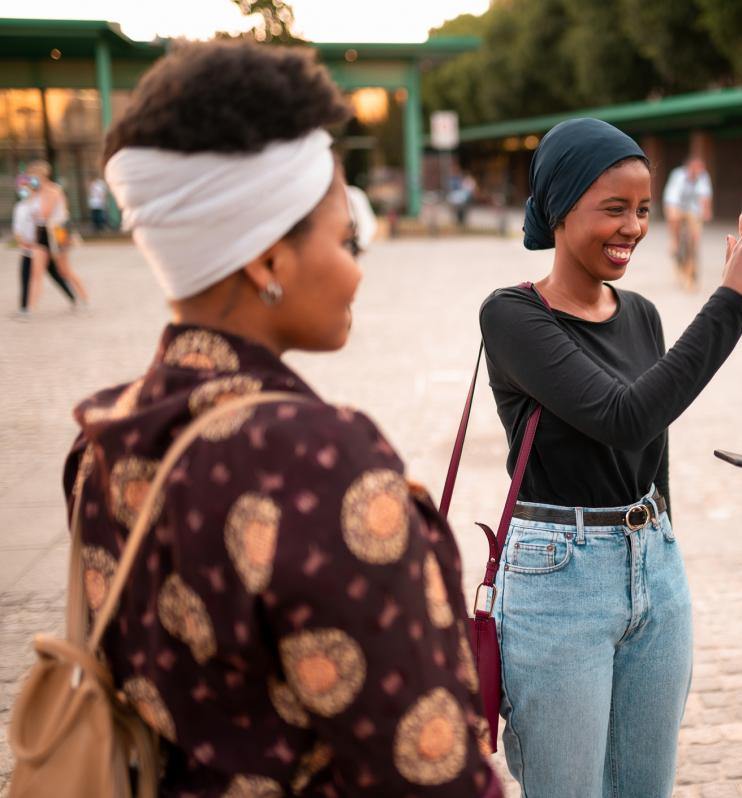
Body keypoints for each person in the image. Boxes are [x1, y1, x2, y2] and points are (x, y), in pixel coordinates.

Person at [69, 39, 498, 796]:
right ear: (268, 261)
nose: (357, 269)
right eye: (345, 240)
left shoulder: (103, 439)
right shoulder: (315, 458)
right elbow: (427, 768)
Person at [478, 117, 742, 797]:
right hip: (558, 581)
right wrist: (734, 298)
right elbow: (626, 418)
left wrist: (664, 542)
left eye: (644, 209)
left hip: (654, 566)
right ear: (560, 209)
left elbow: (654, 448)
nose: (634, 227)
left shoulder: (642, 313)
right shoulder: (512, 316)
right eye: (614, 208)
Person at [25, 159, 90, 308]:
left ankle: (83, 297)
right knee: (36, 272)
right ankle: (28, 308)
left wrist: (33, 199)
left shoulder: (53, 190)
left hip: (57, 233)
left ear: (41, 175)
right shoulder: (35, 193)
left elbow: (45, 213)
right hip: (41, 232)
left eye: (33, 176)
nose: (31, 179)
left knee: (64, 270)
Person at [13, 180, 76, 318]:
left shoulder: (39, 203)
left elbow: (52, 220)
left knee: (56, 274)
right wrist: (22, 240)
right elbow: (17, 228)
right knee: (26, 276)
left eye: (25, 187)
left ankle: (73, 297)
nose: (23, 191)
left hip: (41, 244)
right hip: (28, 247)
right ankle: (25, 308)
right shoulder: (20, 207)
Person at [662, 154, 713, 289]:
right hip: (677, 206)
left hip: (693, 210)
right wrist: (673, 213)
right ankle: (674, 241)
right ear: (689, 167)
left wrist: (706, 211)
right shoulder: (678, 175)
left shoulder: (703, 176)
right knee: (673, 217)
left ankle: (692, 271)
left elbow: (705, 196)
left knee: (694, 238)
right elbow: (671, 198)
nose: (699, 172)